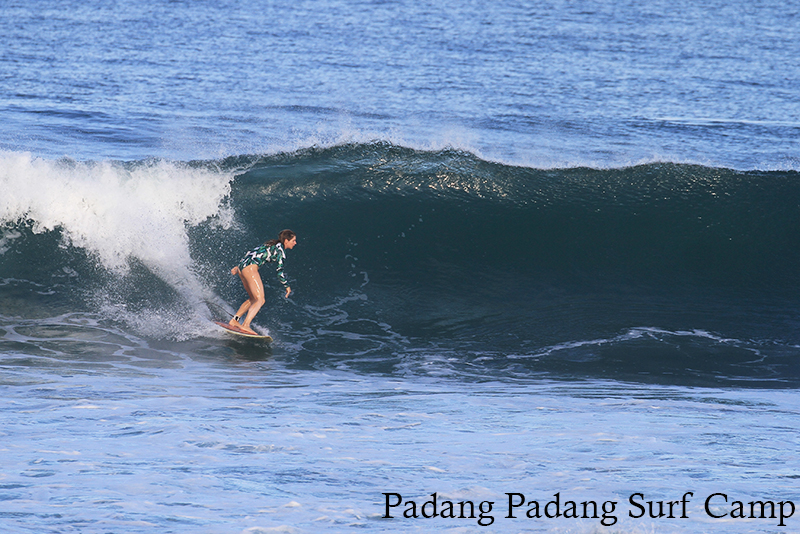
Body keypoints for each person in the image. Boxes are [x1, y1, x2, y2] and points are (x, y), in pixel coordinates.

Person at [228, 229, 297, 334]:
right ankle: (246, 325)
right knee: (260, 300)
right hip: (250, 268)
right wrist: (287, 286)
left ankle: (234, 320)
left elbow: (252, 252)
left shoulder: (270, 244)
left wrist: (238, 267)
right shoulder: (280, 251)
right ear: (286, 241)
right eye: (293, 241)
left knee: (253, 298)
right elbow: (279, 272)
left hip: (243, 267)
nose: (295, 243)